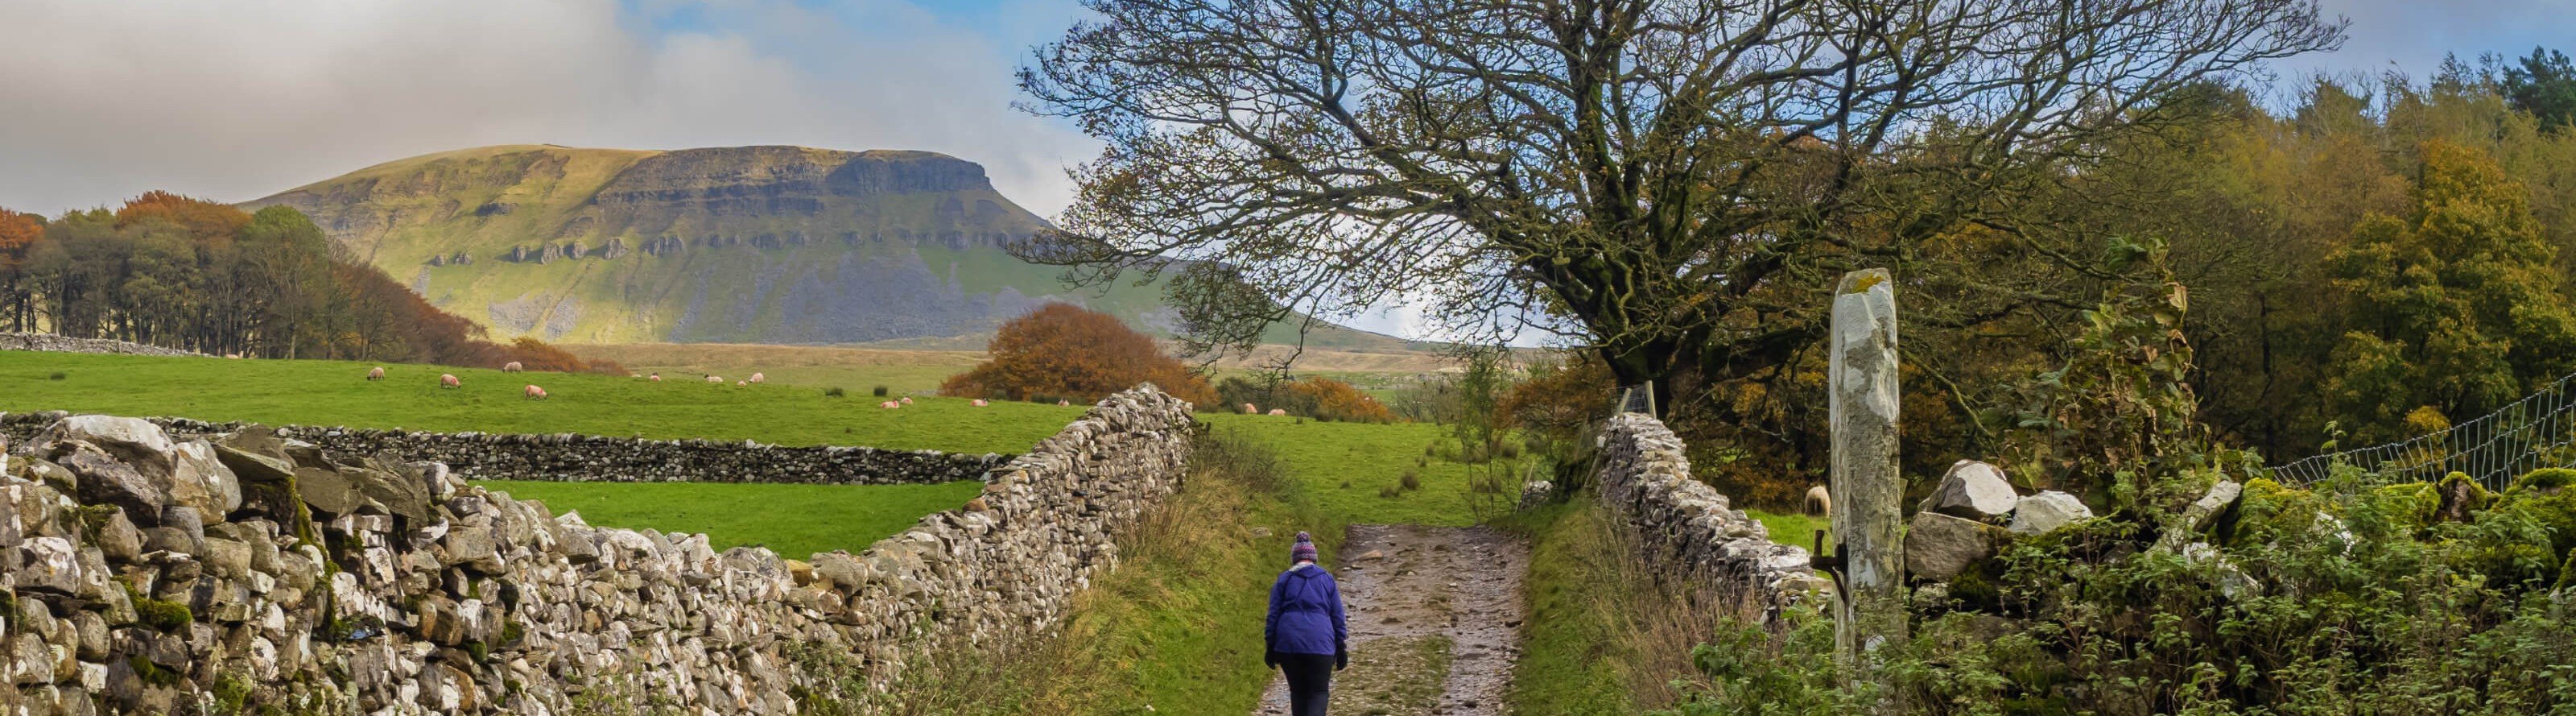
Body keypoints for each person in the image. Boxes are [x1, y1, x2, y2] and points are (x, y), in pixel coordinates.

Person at [1265, 532, 1348, 716]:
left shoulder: (1284, 580)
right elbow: (1337, 615)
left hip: (1288, 643)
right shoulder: (1326, 579)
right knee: (1318, 692)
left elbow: (1273, 615)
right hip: (1321, 643)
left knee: (1298, 692)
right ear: (1314, 558)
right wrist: (1341, 645)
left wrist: (1270, 645)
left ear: (1294, 558)